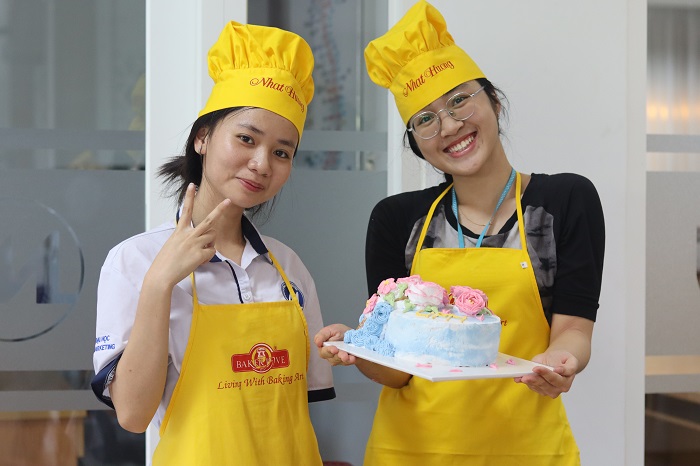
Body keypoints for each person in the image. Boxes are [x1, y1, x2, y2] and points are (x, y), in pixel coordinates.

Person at [314, 1, 605, 465]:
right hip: (411, 451)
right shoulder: (396, 220)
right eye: (425, 119)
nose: (450, 126)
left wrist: (560, 360)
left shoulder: (564, 202)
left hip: (527, 449)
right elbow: (396, 371)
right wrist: (359, 348)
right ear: (417, 144)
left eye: (458, 100)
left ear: (495, 102)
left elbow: (572, 328)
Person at [91, 20, 335, 465]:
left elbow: (295, 405)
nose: (261, 163)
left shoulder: (287, 266)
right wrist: (159, 282)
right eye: (246, 138)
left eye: (282, 152)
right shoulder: (135, 259)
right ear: (202, 138)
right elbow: (132, 414)